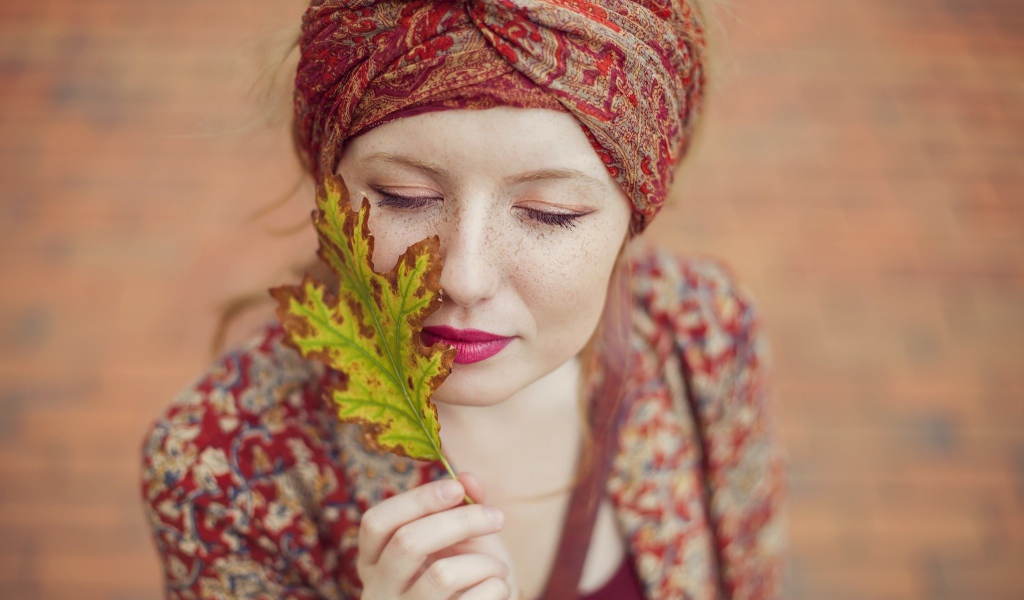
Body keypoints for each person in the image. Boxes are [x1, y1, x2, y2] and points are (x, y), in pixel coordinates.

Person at [141, 1, 785, 599]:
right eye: (403, 196)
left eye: (548, 213)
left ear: (635, 214)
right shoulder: (219, 464)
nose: (464, 277)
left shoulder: (701, 333)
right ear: (329, 189)